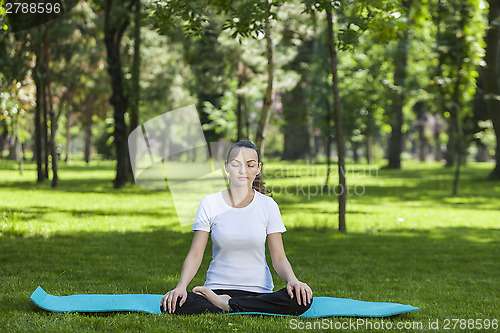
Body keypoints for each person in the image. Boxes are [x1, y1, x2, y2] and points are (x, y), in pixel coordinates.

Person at [161, 141, 313, 315]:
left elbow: (278, 257)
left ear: (258, 168)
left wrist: (293, 281)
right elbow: (196, 253)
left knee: (301, 299)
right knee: (172, 304)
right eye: (236, 164)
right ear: (226, 167)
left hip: (259, 292)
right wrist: (181, 287)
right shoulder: (210, 203)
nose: (243, 171)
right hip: (216, 289)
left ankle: (227, 305)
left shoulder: (268, 206)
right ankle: (233, 304)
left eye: (250, 165)